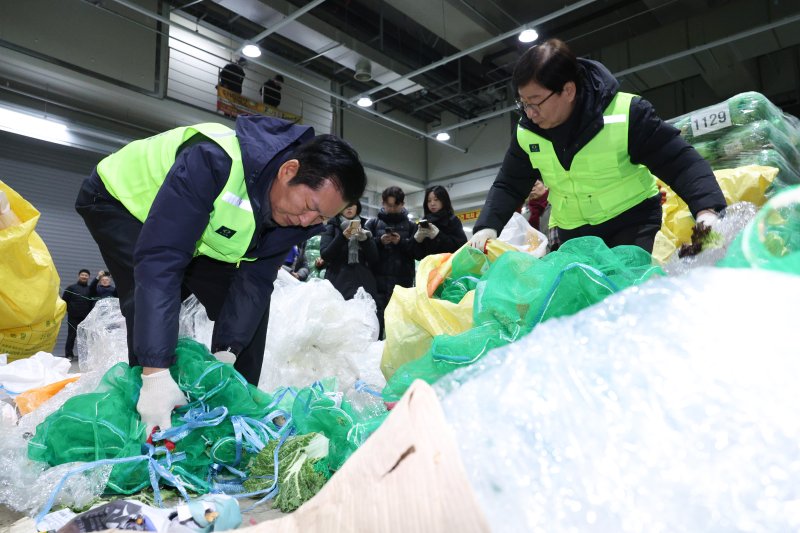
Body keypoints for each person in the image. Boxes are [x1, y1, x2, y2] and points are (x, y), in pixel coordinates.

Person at [75, 115, 366, 436]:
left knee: (250, 307)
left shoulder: (297, 216)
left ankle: (235, 404)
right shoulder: (214, 160)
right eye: (310, 205)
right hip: (121, 201)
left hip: (200, 232)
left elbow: (253, 282)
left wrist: (228, 354)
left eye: (321, 217)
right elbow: (161, 262)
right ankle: (149, 412)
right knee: (148, 292)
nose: (308, 219)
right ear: (289, 171)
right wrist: (156, 372)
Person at [469, 38, 726, 254]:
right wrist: (486, 228)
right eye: (523, 103)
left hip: (632, 222)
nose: (529, 112)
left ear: (568, 91)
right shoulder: (528, 132)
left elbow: (679, 162)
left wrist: (707, 211)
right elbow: (509, 183)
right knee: (582, 301)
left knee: (627, 292)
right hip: (573, 232)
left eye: (536, 101)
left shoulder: (627, 114)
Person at [365, 186, 417, 337]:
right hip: (376, 283)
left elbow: (417, 252)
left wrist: (401, 242)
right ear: (383, 203)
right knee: (375, 325)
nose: (391, 209)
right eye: (388, 205)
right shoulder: (372, 224)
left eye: (395, 205)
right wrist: (379, 241)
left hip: (403, 284)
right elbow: (365, 251)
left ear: (402, 204)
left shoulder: (412, 226)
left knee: (400, 327)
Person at [320, 200, 378, 301]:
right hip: (337, 281)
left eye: (352, 204)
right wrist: (343, 237)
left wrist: (365, 240)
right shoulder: (331, 226)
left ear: (357, 207)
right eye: (345, 205)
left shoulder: (365, 227)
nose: (349, 208)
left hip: (363, 283)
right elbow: (325, 255)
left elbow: (374, 259)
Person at [413, 185, 467, 258]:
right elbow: (416, 255)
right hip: (429, 267)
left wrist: (438, 236)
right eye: (429, 201)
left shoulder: (452, 220)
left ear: (444, 200)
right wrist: (417, 240)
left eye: (436, 199)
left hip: (449, 266)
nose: (432, 203)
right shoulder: (423, 223)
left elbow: (461, 247)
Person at [61, 269, 95, 360]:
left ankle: (85, 356)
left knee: (85, 337)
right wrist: (70, 310)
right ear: (79, 276)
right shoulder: (71, 288)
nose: (84, 276)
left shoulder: (90, 289)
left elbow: (92, 302)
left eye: (86, 275)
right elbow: (64, 301)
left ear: (88, 277)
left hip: (85, 318)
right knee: (71, 336)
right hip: (73, 317)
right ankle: (69, 355)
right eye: (82, 275)